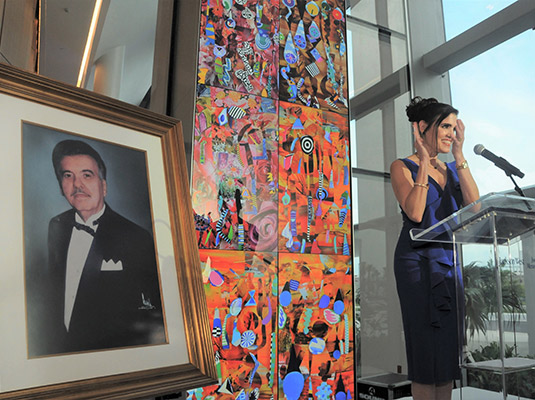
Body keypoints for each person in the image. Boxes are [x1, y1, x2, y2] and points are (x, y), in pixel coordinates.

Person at [28, 139, 166, 357]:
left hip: (109, 357)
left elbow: (152, 314)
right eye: (67, 175)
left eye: (87, 175)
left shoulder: (136, 237)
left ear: (104, 186)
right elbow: (55, 293)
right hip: (59, 355)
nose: (77, 185)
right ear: (60, 186)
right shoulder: (56, 226)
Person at [390, 97, 479, 400]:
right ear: (422, 128)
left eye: (454, 128)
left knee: (445, 355)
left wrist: (459, 154)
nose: (451, 133)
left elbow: (475, 206)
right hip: (416, 263)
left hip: (447, 262)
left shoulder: (454, 168)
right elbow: (415, 213)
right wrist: (424, 164)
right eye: (445, 126)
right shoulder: (402, 166)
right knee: (426, 353)